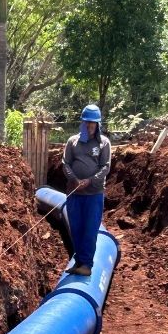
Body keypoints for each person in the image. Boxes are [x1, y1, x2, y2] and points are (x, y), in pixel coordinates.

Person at [61, 104, 111, 276]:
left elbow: (105, 167)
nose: (90, 125)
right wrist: (74, 180)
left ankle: (87, 265)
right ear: (82, 122)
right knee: (76, 229)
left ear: (98, 124)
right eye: (87, 122)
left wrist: (90, 181)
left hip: (93, 195)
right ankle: (79, 261)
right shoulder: (72, 142)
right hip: (74, 194)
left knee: (90, 230)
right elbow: (65, 163)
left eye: (93, 123)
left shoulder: (103, 143)